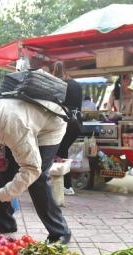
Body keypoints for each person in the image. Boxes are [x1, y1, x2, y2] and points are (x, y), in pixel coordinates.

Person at [0, 98, 71, 244]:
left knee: (37, 179)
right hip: (24, 122)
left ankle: (60, 232)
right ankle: (4, 223)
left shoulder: (13, 125)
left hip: (49, 127)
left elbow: (31, 169)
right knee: (2, 168)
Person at [50, 61, 83, 195]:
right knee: (62, 151)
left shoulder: (57, 84)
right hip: (77, 123)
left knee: (61, 152)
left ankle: (66, 186)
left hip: (64, 122)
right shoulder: (76, 85)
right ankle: (63, 184)